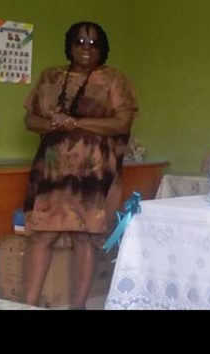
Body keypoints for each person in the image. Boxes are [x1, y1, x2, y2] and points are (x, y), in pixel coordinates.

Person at [22, 21, 138, 309]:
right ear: (69, 45)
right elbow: (30, 120)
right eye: (79, 42)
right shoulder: (51, 76)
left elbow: (122, 123)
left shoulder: (114, 79)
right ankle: (27, 304)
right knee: (42, 235)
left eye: (93, 43)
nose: (86, 49)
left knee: (86, 237)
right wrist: (52, 122)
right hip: (52, 172)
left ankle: (78, 306)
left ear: (103, 48)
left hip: (93, 172)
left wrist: (77, 123)